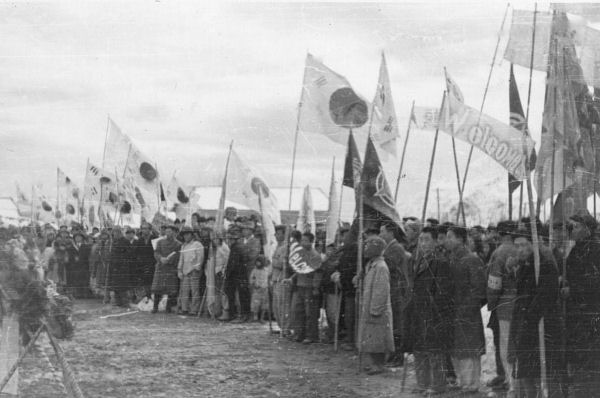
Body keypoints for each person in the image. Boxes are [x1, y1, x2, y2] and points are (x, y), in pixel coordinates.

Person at [508, 220, 561, 398]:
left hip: (539, 325)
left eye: (524, 245)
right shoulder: (524, 265)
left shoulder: (543, 263)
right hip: (525, 326)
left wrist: (530, 317)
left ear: (532, 245)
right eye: (516, 246)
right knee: (525, 371)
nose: (520, 249)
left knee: (540, 371)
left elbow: (546, 296)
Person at [411, 226, 453, 395]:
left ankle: (438, 385)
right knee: (420, 349)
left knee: (435, 351)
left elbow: (443, 293)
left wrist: (434, 312)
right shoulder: (420, 260)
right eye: (421, 240)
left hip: (434, 314)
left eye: (427, 239)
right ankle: (422, 383)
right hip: (420, 312)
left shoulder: (440, 262)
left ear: (436, 242)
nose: (423, 243)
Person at [445, 226, 486, 393]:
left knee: (469, 348)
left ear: (460, 239)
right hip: (454, 311)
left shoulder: (472, 259)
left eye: (450, 237)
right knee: (458, 348)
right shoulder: (451, 258)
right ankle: (463, 381)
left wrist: (467, 308)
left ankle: (471, 383)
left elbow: (479, 289)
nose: (447, 240)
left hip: (467, 312)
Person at [563, 213, 600, 397]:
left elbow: (595, 282)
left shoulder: (595, 249)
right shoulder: (576, 249)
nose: (572, 231)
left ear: (587, 228)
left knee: (591, 358)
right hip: (577, 313)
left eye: (576, 227)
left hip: (591, 313)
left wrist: (573, 290)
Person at [486, 221, 517, 394]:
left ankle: (510, 380)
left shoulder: (500, 252)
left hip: (505, 303)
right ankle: (514, 380)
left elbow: (494, 282)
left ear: (500, 233)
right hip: (522, 302)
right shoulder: (521, 248)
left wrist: (491, 303)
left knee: (505, 344)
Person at [357, 236, 394, 375]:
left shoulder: (381, 267)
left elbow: (381, 289)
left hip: (377, 308)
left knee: (378, 338)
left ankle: (379, 364)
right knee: (371, 337)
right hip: (369, 306)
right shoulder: (371, 265)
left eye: (367, 246)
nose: (365, 249)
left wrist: (376, 308)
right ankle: (374, 362)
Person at [379, 221, 411, 367]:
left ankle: (398, 357)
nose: (381, 234)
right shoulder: (389, 248)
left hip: (397, 290)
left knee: (397, 324)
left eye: (382, 231)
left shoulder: (396, 248)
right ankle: (392, 355)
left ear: (390, 233)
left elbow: (389, 266)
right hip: (392, 289)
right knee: (393, 324)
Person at [287, 232, 322, 344]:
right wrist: (291, 279)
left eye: (305, 241)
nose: (302, 243)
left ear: (311, 242)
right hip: (300, 286)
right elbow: (299, 269)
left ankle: (311, 336)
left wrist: (315, 288)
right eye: (302, 240)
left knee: (310, 313)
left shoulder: (315, 255)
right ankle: (299, 334)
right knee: (298, 310)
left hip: (310, 287)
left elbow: (317, 274)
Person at [223, 226, 252, 322]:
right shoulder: (240, 247)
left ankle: (239, 316)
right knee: (241, 296)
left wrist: (227, 275)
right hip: (241, 275)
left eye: (229, 239)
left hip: (237, 276)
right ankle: (241, 315)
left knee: (239, 297)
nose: (228, 241)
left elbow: (233, 264)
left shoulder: (236, 248)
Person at [151, 225, 181, 314]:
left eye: (170, 232)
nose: (168, 233)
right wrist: (161, 258)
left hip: (171, 268)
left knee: (170, 289)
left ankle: (168, 307)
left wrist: (168, 260)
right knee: (157, 288)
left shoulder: (178, 244)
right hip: (160, 267)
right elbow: (156, 252)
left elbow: (177, 255)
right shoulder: (160, 242)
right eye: (167, 231)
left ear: (174, 233)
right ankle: (155, 307)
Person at [177, 226, 204, 315]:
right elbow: (181, 259)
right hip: (185, 271)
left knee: (194, 291)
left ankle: (194, 310)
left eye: (187, 234)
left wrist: (196, 269)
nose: (186, 236)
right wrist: (179, 270)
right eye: (184, 235)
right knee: (184, 291)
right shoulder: (184, 246)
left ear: (192, 235)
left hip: (194, 271)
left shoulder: (197, 244)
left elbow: (200, 258)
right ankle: (184, 309)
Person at [270, 225, 291, 333]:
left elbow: (282, 264)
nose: (276, 236)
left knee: (283, 304)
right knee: (276, 305)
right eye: (276, 234)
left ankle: (286, 327)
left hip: (282, 278)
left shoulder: (286, 247)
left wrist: (273, 261)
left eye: (278, 233)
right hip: (275, 278)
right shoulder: (277, 246)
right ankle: (282, 326)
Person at [109, 227, 136, 307]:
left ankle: (125, 303)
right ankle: (118, 302)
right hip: (115, 267)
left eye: (117, 233)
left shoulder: (125, 241)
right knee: (116, 287)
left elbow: (130, 253)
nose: (115, 235)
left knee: (123, 287)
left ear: (120, 233)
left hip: (123, 268)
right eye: (114, 233)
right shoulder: (114, 242)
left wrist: (122, 259)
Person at [135, 223, 156, 300]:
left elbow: (157, 252)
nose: (144, 230)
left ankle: (152, 298)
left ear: (150, 230)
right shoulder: (140, 240)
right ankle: (147, 297)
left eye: (146, 228)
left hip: (153, 264)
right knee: (145, 283)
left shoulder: (154, 239)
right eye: (143, 229)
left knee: (152, 282)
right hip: (143, 265)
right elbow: (137, 252)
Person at [250, 255, 269, 322]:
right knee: (255, 304)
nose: (258, 263)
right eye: (257, 262)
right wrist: (254, 283)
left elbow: (269, 278)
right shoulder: (254, 270)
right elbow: (251, 279)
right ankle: (255, 316)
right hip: (257, 289)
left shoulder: (266, 270)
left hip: (265, 289)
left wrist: (268, 285)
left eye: (260, 262)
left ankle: (262, 318)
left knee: (264, 304)